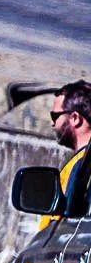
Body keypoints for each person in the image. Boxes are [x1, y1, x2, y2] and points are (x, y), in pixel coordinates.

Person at [45, 81, 91, 226]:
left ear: (75, 118)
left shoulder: (80, 166)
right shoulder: (81, 162)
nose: (52, 123)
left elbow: (61, 223)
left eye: (55, 116)